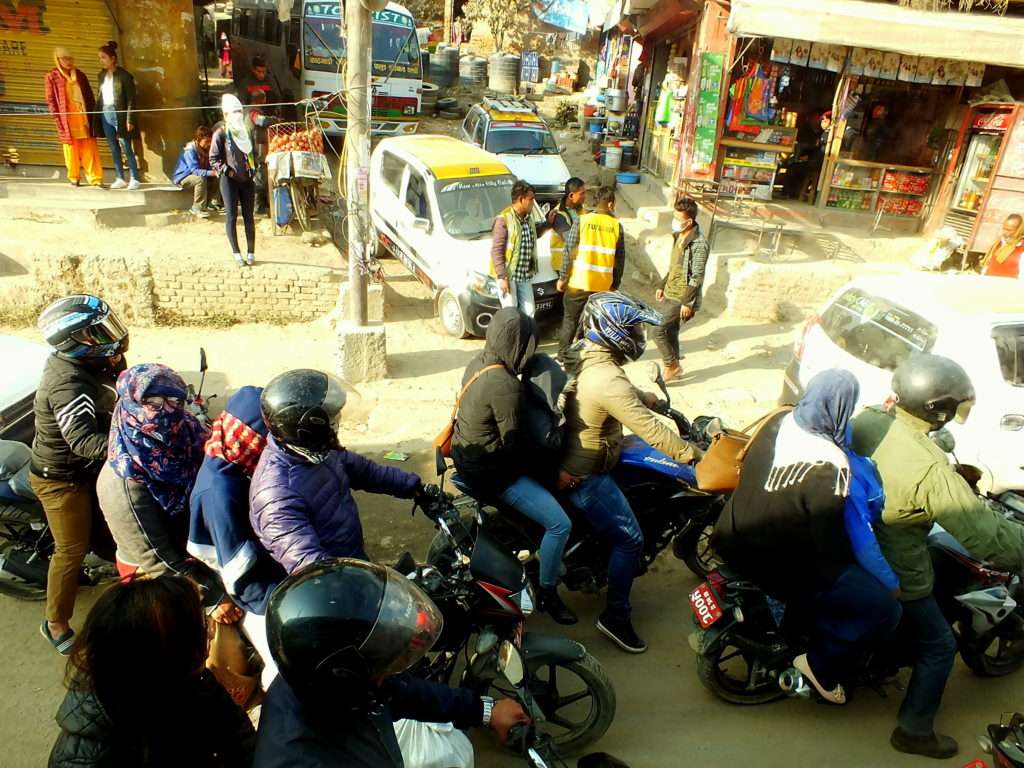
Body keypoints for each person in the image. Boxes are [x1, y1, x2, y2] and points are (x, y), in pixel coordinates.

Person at [852, 354, 1024, 759]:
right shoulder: (930, 472)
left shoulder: (872, 419)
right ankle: (914, 730)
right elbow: (987, 537)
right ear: (937, 409)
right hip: (899, 566)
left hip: (859, 544)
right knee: (940, 647)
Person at [714, 369, 902, 705]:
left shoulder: (778, 422)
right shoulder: (830, 464)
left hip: (733, 537)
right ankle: (820, 665)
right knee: (882, 608)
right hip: (781, 566)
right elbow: (831, 546)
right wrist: (885, 579)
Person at [254, 558, 528, 767]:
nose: (396, 666)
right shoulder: (299, 757)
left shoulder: (330, 683)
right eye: (385, 660)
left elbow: (403, 692)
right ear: (345, 675)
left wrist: (482, 709)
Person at [559, 292, 701, 653]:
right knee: (630, 540)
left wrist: (646, 396)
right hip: (587, 473)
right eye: (633, 328)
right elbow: (651, 431)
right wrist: (692, 455)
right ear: (614, 331)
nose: (638, 335)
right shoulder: (609, 380)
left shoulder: (588, 355)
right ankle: (616, 618)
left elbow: (617, 390)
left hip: (586, 458)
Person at [49, 574, 256, 767]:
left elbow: (238, 734)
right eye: (200, 627)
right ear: (161, 655)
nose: (209, 636)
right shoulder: (87, 758)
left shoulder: (192, 678)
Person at [451, 308, 577, 625]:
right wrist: (554, 471)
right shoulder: (505, 384)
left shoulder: (478, 362)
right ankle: (548, 592)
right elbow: (515, 445)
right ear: (516, 344)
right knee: (560, 524)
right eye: (527, 345)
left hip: (468, 459)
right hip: (493, 474)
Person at [96, 363, 240, 623]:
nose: (167, 411)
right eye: (153, 402)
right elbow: (158, 560)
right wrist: (214, 597)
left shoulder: (186, 430)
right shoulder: (125, 483)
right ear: (131, 404)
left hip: (197, 549)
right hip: (158, 576)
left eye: (175, 400)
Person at [249, 369, 427, 574]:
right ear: (306, 429)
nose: (337, 423)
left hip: (353, 560)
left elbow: (366, 471)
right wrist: (355, 584)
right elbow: (310, 566)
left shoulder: (319, 451)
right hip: (335, 588)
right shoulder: (276, 496)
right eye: (331, 419)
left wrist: (415, 487)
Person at [30, 295, 128, 655]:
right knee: (70, 550)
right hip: (61, 479)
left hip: (86, 469)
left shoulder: (101, 360)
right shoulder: (67, 383)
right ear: (73, 344)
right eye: (98, 333)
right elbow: (84, 442)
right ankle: (54, 622)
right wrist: (135, 448)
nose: (110, 338)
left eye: (108, 327)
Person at [188, 386, 287, 688]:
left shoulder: (233, 463)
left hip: (261, 574)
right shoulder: (222, 491)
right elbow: (240, 574)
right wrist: (279, 605)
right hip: (249, 594)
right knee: (285, 665)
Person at [558, 186, 626, 361]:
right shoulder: (616, 226)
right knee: (593, 323)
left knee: (570, 320)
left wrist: (563, 277)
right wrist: (614, 285)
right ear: (611, 204)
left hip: (579, 282)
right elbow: (620, 260)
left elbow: (569, 251)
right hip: (602, 286)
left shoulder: (583, 221)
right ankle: (588, 357)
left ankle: (563, 355)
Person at [652, 197, 709, 381]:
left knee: (657, 330)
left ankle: (672, 365)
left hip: (682, 296)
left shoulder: (699, 244)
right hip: (670, 291)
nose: (674, 222)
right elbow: (675, 266)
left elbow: (697, 276)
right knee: (671, 331)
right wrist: (662, 284)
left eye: (678, 219)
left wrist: (687, 302)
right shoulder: (678, 236)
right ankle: (675, 365)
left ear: (689, 221)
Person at [490, 180, 550, 317]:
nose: (533, 202)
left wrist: (548, 224)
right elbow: (497, 250)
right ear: (521, 199)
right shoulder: (503, 219)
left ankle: (525, 338)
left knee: (529, 313)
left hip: (524, 275)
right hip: (509, 275)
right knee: (511, 314)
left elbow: (534, 234)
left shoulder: (528, 218)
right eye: (531, 199)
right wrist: (502, 277)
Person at [44, 48, 102, 188]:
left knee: (89, 149)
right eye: (65, 59)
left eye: (70, 58)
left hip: (84, 118)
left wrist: (94, 117)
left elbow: (89, 97)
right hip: (67, 120)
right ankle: (74, 178)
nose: (69, 62)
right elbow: (50, 99)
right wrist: (56, 118)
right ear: (58, 60)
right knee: (71, 150)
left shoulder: (80, 75)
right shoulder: (52, 76)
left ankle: (95, 179)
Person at [210, 94, 257, 267]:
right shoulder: (220, 134)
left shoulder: (246, 132)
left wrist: (254, 169)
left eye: (239, 111)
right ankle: (236, 253)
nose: (237, 115)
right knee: (231, 216)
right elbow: (214, 159)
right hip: (229, 181)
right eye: (233, 112)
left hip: (247, 181)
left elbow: (252, 153)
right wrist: (227, 171)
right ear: (226, 115)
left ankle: (251, 252)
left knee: (249, 217)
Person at [95, 41, 141, 191]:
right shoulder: (101, 76)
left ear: (112, 58)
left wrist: (129, 119)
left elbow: (131, 99)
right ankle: (120, 177)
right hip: (105, 112)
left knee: (126, 146)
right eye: (99, 58)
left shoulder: (124, 76)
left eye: (103, 57)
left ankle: (134, 177)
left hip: (119, 113)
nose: (101, 60)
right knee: (114, 147)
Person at [551, 177, 586, 358]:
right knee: (571, 312)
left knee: (576, 310)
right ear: (571, 195)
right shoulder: (559, 215)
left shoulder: (581, 211)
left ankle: (573, 344)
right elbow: (570, 239)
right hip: (563, 266)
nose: (585, 196)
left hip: (578, 266)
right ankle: (564, 351)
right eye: (582, 193)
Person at [173, 125, 219, 218]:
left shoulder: (207, 150)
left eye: (210, 141)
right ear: (198, 139)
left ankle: (207, 204)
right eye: (207, 141)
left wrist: (215, 171)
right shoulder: (189, 150)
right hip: (183, 177)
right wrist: (212, 172)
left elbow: (210, 166)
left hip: (198, 174)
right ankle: (196, 208)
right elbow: (195, 171)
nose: (209, 144)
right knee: (200, 179)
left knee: (217, 178)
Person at [981, 214, 1024, 278]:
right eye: (1004, 229)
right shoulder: (999, 243)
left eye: (1009, 230)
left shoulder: (1021, 248)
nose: (1004, 232)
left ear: (1019, 230)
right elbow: (988, 264)